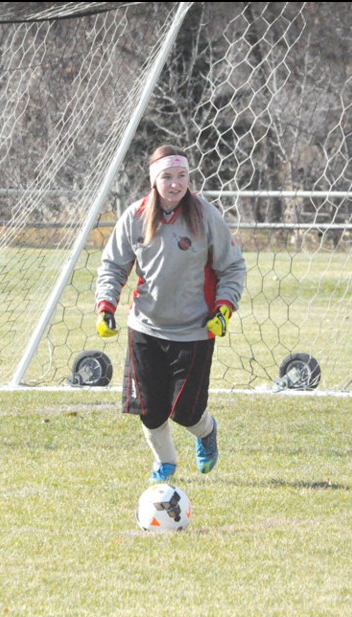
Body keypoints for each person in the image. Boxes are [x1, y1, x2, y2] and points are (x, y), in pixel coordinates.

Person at [95, 144, 246, 483]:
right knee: (150, 411)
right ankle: (165, 463)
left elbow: (233, 268)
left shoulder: (206, 216)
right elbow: (113, 266)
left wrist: (224, 309)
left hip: (194, 330)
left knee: (186, 411)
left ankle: (206, 432)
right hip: (145, 327)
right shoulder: (135, 216)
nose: (176, 184)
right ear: (153, 180)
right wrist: (106, 306)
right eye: (167, 177)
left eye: (182, 176)